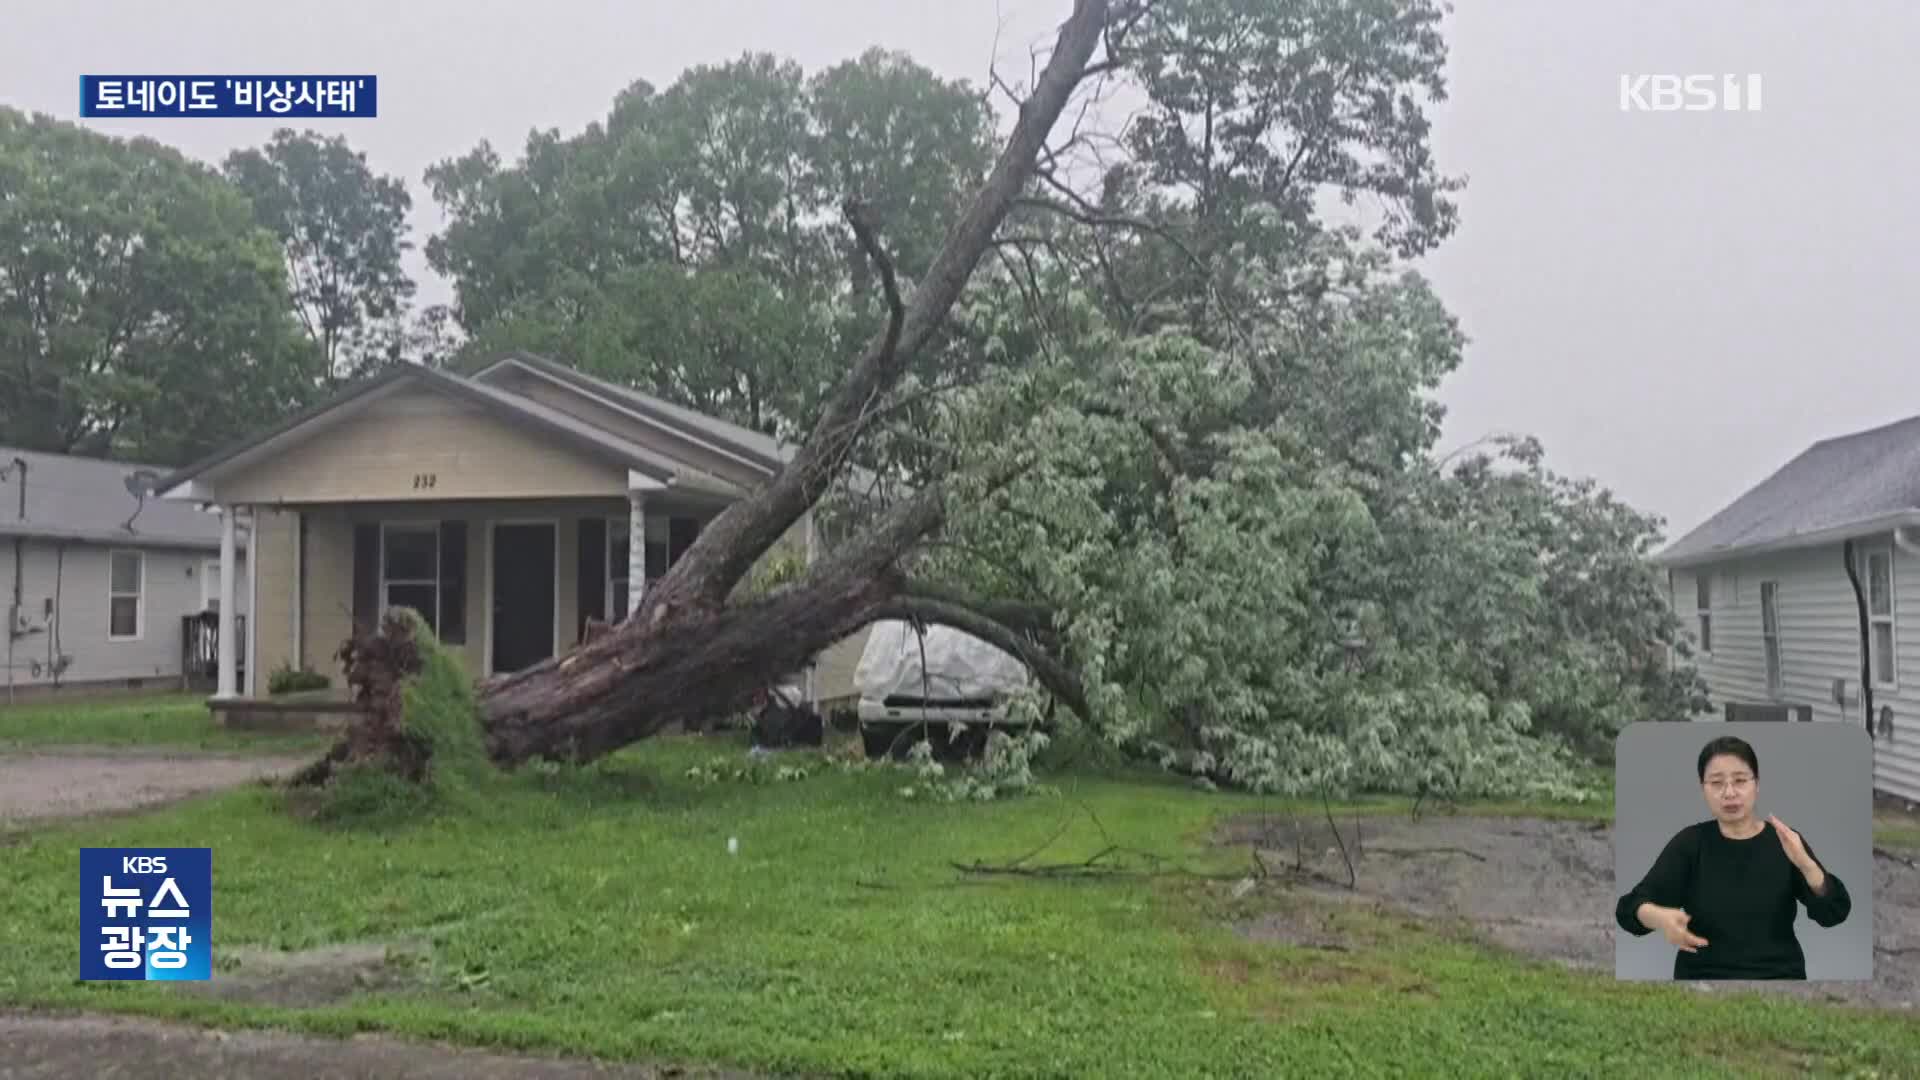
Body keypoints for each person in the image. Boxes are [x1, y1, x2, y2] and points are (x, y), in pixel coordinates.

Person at [1614, 734, 1851, 979]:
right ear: (1703, 788)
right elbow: (1629, 908)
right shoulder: (1691, 844)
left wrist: (1806, 865)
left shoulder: (1786, 842)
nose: (1729, 792)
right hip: (1703, 979)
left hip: (1779, 977)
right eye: (1716, 783)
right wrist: (1660, 918)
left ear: (1756, 784)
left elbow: (1834, 913)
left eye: (1740, 780)